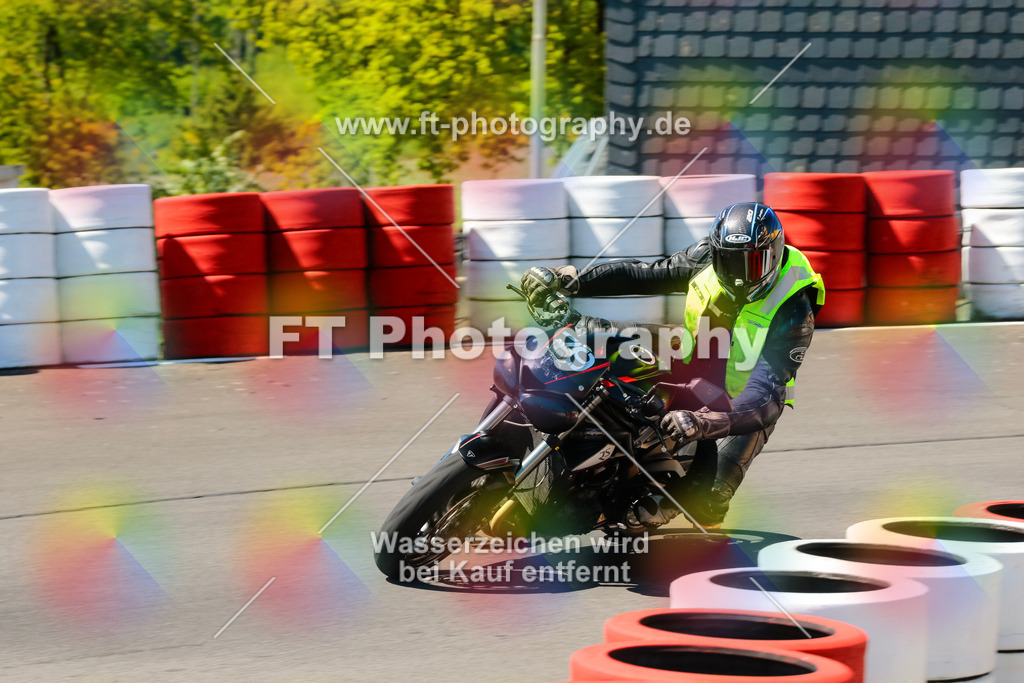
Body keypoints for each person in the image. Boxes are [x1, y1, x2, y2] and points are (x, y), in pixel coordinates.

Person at [520, 202, 825, 528]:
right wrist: (571, 280)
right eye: (729, 261)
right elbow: (644, 274)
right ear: (717, 251)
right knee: (604, 354)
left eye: (751, 263)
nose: (738, 276)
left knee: (708, 506)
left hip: (743, 399)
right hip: (692, 359)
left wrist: (703, 423)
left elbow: (765, 398)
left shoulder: (794, 310)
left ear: (774, 255)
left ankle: (662, 506)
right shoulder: (706, 255)